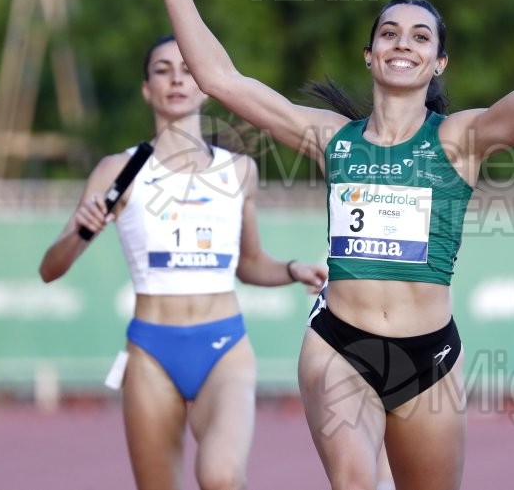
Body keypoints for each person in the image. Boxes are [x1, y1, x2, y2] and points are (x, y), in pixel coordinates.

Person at [134, 0, 514, 490]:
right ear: (370, 55)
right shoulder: (330, 138)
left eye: (421, 37)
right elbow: (221, 79)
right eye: (390, 33)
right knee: (355, 482)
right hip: (340, 344)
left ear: (438, 63)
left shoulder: (459, 141)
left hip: (430, 357)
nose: (403, 43)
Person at [39, 35, 326, 490]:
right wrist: (79, 229)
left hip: (224, 346)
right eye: (162, 69)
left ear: (206, 85)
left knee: (221, 476)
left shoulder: (238, 171)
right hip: (151, 351)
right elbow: (50, 269)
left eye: (189, 69)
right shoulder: (119, 170)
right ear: (146, 90)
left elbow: (249, 263)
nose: (176, 78)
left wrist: (291, 269)